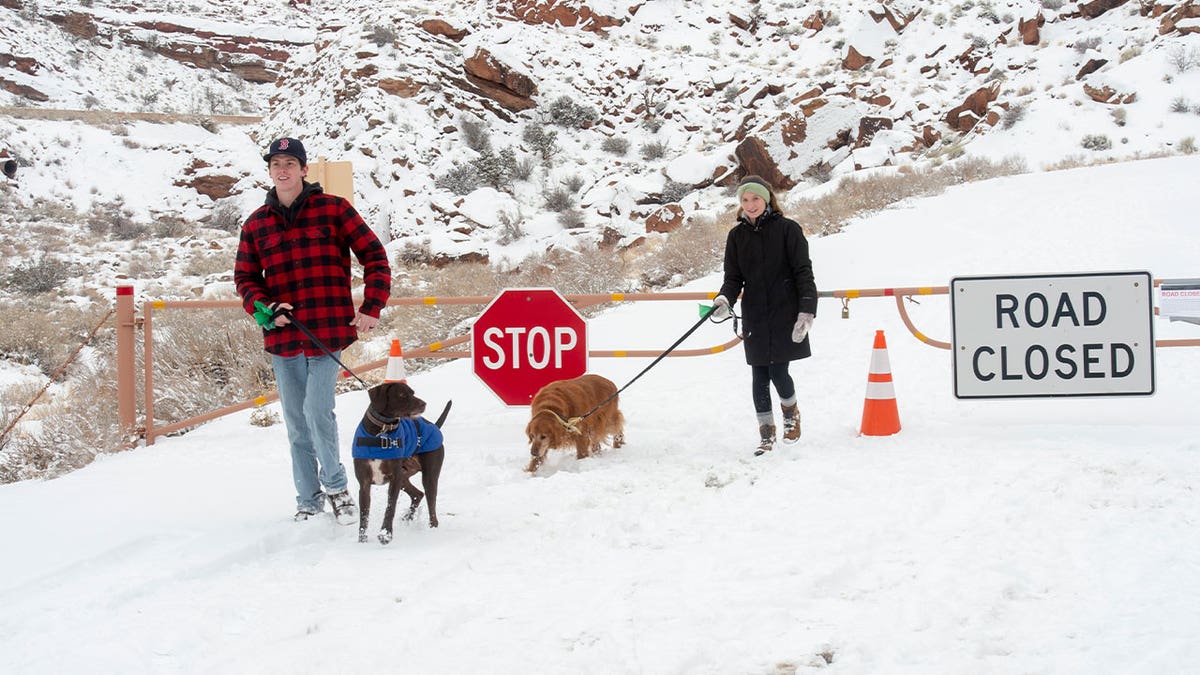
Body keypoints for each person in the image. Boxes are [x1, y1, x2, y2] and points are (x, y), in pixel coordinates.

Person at [234, 137, 392, 522]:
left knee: (318, 411)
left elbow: (374, 256)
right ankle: (307, 498)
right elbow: (244, 278)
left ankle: (337, 488)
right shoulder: (255, 224)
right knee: (295, 422)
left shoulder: (335, 210)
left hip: (327, 331)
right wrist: (267, 309)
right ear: (270, 172)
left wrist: (371, 306)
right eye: (276, 164)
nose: (283, 170)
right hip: (283, 336)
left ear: (305, 169)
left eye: (290, 163)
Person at [711, 175, 817, 455]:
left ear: (767, 198)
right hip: (755, 313)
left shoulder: (788, 230)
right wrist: (724, 299)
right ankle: (766, 432)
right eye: (745, 200)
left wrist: (806, 311)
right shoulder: (736, 236)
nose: (750, 204)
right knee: (759, 374)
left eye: (755, 198)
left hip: (785, 312)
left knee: (778, 371)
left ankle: (791, 415)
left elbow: (803, 273)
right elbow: (733, 278)